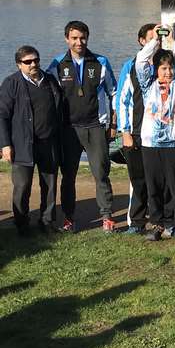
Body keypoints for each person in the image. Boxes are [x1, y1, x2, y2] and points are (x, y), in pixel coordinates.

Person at [47, 20, 117, 233]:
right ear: (66, 39)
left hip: (95, 126)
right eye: (74, 38)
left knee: (101, 173)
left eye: (83, 38)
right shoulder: (57, 64)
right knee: (68, 176)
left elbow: (114, 93)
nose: (79, 42)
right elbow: (47, 96)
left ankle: (107, 216)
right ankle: (69, 218)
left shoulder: (100, 62)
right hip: (69, 128)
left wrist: (113, 123)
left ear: (88, 38)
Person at [135, 27, 175, 242]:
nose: (167, 72)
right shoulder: (147, 85)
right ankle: (157, 224)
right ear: (156, 70)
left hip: (174, 143)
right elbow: (140, 62)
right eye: (163, 68)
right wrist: (154, 41)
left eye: (170, 68)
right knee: (154, 187)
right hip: (150, 143)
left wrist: (172, 42)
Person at [0, 46, 63, 236]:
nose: (33, 64)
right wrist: (5, 144)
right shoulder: (11, 83)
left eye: (36, 60)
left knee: (49, 185)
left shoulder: (50, 80)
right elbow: (2, 115)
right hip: (22, 144)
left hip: (48, 142)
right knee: (22, 186)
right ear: (19, 64)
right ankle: (22, 224)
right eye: (28, 62)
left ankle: (47, 221)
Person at [116, 23, 172, 235]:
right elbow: (122, 100)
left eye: (158, 38)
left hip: (161, 134)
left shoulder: (167, 66)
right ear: (142, 41)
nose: (155, 42)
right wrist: (125, 132)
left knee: (163, 180)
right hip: (136, 132)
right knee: (138, 180)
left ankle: (166, 221)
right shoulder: (132, 66)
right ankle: (137, 222)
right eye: (151, 38)